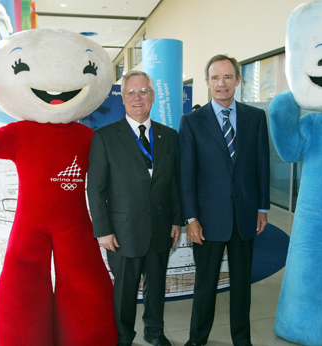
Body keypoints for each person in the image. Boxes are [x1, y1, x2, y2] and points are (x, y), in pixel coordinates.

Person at [177, 55, 270, 346]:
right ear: (207, 82)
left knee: (242, 284)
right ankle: (196, 339)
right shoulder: (192, 121)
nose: (222, 84)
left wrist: (262, 207)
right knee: (205, 285)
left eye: (228, 77)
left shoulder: (255, 118)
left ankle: (242, 339)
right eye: (215, 78)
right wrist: (190, 218)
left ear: (238, 81)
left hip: (244, 216)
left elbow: (261, 166)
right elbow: (186, 174)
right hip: (207, 219)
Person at [88, 70, 182, 346]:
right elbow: (96, 188)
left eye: (143, 92)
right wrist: (103, 230)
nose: (137, 97)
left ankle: (154, 332)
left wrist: (176, 220)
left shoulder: (169, 136)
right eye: (131, 92)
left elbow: (174, 182)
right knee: (124, 291)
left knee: (156, 289)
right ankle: (123, 336)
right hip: (122, 230)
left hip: (161, 228)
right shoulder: (105, 137)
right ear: (123, 99)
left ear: (152, 97)